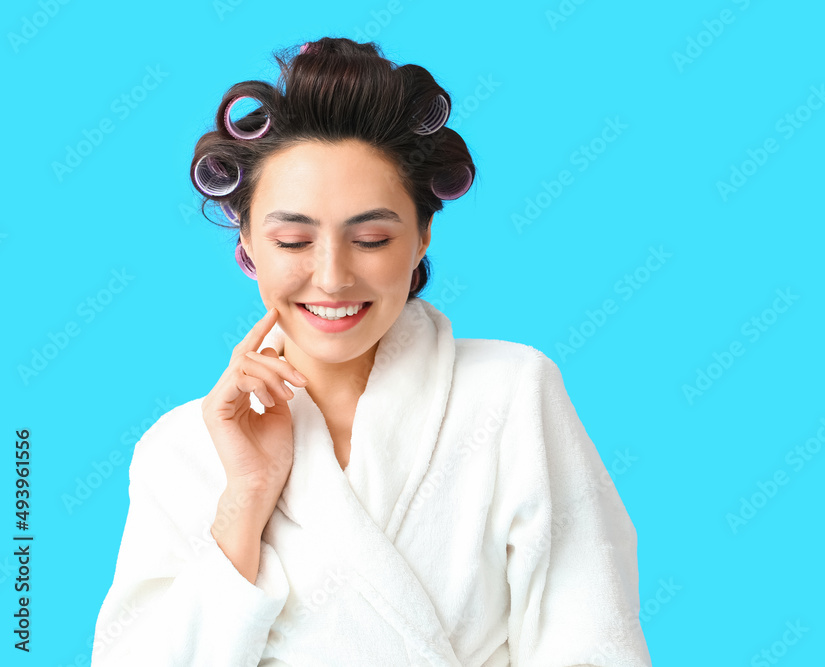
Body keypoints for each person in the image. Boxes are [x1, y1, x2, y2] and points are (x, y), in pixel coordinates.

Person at [91, 36, 651, 666]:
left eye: (373, 237)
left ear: (421, 238)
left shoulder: (511, 392)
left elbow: (594, 639)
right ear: (247, 242)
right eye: (294, 242)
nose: (332, 278)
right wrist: (245, 499)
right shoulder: (180, 450)